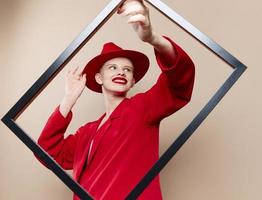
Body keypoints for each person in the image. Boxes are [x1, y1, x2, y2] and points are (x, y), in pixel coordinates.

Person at [37, 0, 195, 199]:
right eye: (113, 67)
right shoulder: (86, 133)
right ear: (99, 78)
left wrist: (153, 38)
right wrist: (68, 100)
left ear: (132, 82)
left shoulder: (142, 108)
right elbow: (47, 153)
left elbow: (179, 82)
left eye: (127, 70)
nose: (121, 72)